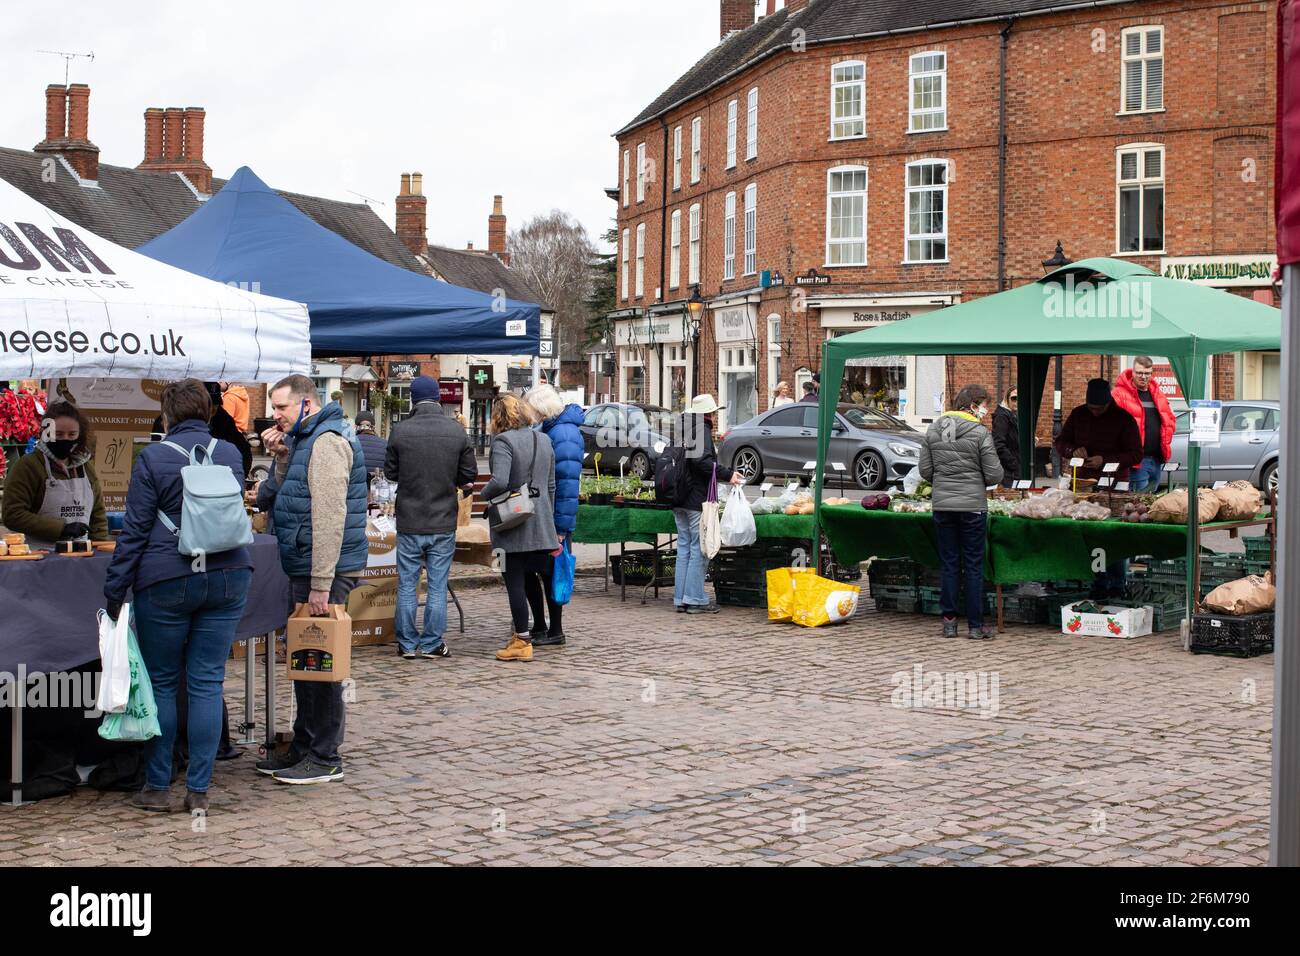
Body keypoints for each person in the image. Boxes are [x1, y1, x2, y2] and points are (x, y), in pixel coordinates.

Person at [102, 379, 253, 813]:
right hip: (229, 575)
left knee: (163, 683)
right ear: (207, 413)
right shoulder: (228, 454)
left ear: (165, 416)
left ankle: (158, 786)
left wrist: (115, 589)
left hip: (168, 578)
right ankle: (200, 791)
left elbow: (134, 533)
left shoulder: (152, 457)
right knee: (207, 681)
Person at [254, 375, 368, 784]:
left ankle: (324, 756)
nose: (275, 415)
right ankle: (304, 745)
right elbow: (277, 494)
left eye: (281, 407)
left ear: (307, 403)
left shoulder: (326, 442)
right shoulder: (305, 438)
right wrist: (281, 458)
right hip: (306, 564)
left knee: (321, 663)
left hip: (324, 570)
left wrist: (321, 582)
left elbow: (329, 516)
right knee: (306, 663)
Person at [384, 375, 476, 660]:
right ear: (438, 398)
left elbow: (390, 473)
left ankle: (407, 644)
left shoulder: (400, 431)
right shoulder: (456, 431)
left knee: (408, 585)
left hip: (410, 519)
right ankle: (432, 643)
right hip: (442, 518)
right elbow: (468, 475)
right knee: (437, 585)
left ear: (413, 399)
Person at [919, 384, 1003, 640]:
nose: (985, 411)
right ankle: (975, 626)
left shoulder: (934, 428)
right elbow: (994, 474)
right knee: (973, 565)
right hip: (972, 507)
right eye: (984, 405)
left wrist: (944, 479)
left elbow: (925, 471)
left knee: (950, 564)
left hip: (943, 505)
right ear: (973, 405)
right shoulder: (979, 433)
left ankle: (949, 623)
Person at [481, 394, 559, 662]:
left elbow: (500, 481)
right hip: (542, 523)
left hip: (513, 523)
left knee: (514, 580)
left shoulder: (503, 441)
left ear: (499, 417)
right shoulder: (545, 440)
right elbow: (551, 486)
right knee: (538, 578)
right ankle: (538, 631)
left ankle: (522, 640)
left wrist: (482, 494)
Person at [1, 401, 109, 549]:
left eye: (72, 434)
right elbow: (12, 514)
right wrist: (61, 529)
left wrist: (101, 548)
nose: (65, 439)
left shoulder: (86, 468)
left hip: (81, 557)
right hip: (37, 556)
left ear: (80, 435)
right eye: (58, 434)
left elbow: (98, 516)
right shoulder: (28, 466)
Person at [672, 395, 744, 614]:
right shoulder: (701, 429)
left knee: (684, 547)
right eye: (712, 413)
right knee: (698, 548)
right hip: (695, 497)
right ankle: (694, 599)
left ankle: (681, 598)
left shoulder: (682, 428)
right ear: (707, 414)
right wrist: (728, 474)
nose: (714, 417)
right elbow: (701, 461)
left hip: (678, 497)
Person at [523, 383, 583, 646]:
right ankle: (541, 625)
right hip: (546, 515)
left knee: (550, 573)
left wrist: (561, 527)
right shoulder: (555, 430)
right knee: (536, 570)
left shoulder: (563, 434)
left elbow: (568, 484)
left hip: (553, 518)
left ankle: (554, 629)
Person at [1054, 378, 1143, 482]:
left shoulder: (1124, 418)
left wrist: (1104, 460)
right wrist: (1073, 450)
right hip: (1082, 479)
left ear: (1108, 403)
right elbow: (1060, 442)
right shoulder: (1078, 414)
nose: (1095, 412)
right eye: (1091, 408)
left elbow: (1136, 454)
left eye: (1100, 408)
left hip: (1114, 481)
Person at [1111, 356, 1175, 492]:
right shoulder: (1119, 395)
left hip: (1156, 460)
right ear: (1132, 372)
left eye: (1147, 373)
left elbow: (1170, 420)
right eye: (1139, 372)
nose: (1143, 377)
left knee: (1150, 506)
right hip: (1135, 462)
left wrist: (1165, 441)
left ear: (1152, 374)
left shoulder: (1159, 395)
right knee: (1138, 506)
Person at [991, 387, 1020, 488]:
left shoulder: (1012, 415)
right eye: (1014, 398)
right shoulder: (1002, 416)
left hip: (1013, 466)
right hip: (1009, 470)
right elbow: (998, 444)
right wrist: (1014, 464)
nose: (1017, 401)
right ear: (1007, 399)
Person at [354, 410, 389, 475]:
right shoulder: (385, 444)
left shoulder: (349, 443)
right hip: (376, 483)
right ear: (373, 427)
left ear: (356, 427)